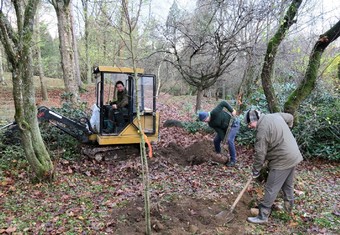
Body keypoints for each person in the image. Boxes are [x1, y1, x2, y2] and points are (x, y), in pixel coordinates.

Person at [244, 110, 303, 224]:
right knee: (288, 185)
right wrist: (283, 131)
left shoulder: (262, 131)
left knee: (271, 188)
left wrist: (256, 170)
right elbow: (290, 117)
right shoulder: (275, 116)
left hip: (281, 159)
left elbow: (260, 154)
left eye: (249, 124)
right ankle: (288, 210)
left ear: (254, 120)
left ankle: (263, 216)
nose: (249, 126)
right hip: (293, 155)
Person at [198, 100, 240, 167]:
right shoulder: (211, 124)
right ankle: (219, 155)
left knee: (230, 140)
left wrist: (232, 110)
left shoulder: (214, 112)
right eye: (204, 121)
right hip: (225, 129)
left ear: (207, 115)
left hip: (233, 124)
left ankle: (233, 160)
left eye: (205, 119)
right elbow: (220, 131)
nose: (205, 121)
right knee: (216, 140)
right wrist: (224, 141)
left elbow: (223, 103)